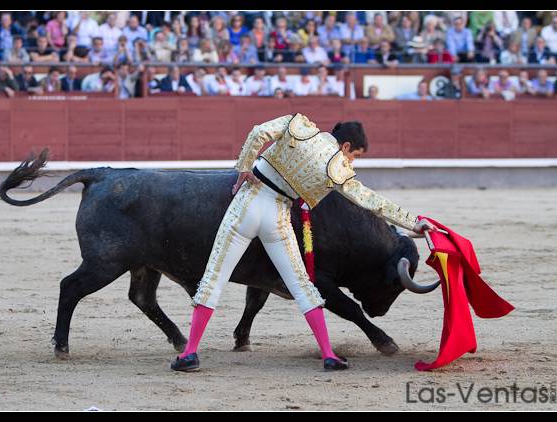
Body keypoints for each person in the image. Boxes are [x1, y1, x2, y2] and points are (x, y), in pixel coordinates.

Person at [170, 114, 436, 372]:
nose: (352, 163)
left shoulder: (298, 124)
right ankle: (329, 355)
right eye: (354, 156)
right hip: (278, 215)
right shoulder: (337, 168)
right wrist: (414, 223)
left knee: (214, 277)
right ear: (345, 146)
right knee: (303, 286)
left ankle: (190, 353)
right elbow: (372, 201)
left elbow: (257, 131)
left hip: (248, 204)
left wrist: (243, 168)